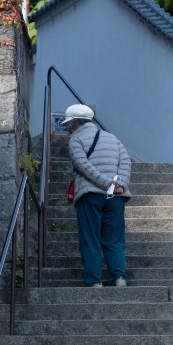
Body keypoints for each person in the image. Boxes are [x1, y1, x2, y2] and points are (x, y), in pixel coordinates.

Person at [64, 103, 131, 287]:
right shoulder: (113, 138)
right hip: (116, 197)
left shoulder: (76, 140)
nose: (67, 129)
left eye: (68, 125)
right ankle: (119, 278)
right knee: (114, 239)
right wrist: (120, 184)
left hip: (90, 195)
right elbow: (126, 161)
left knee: (90, 238)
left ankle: (94, 282)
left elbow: (82, 166)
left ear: (75, 124)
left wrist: (106, 183)